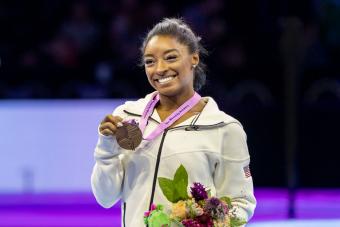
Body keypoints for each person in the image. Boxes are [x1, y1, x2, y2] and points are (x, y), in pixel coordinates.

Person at [91, 18, 256, 226]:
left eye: (170, 57)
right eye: (150, 61)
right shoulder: (127, 116)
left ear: (193, 58)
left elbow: (241, 203)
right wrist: (106, 149)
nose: (159, 69)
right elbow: (105, 198)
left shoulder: (224, 128)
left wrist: (208, 223)